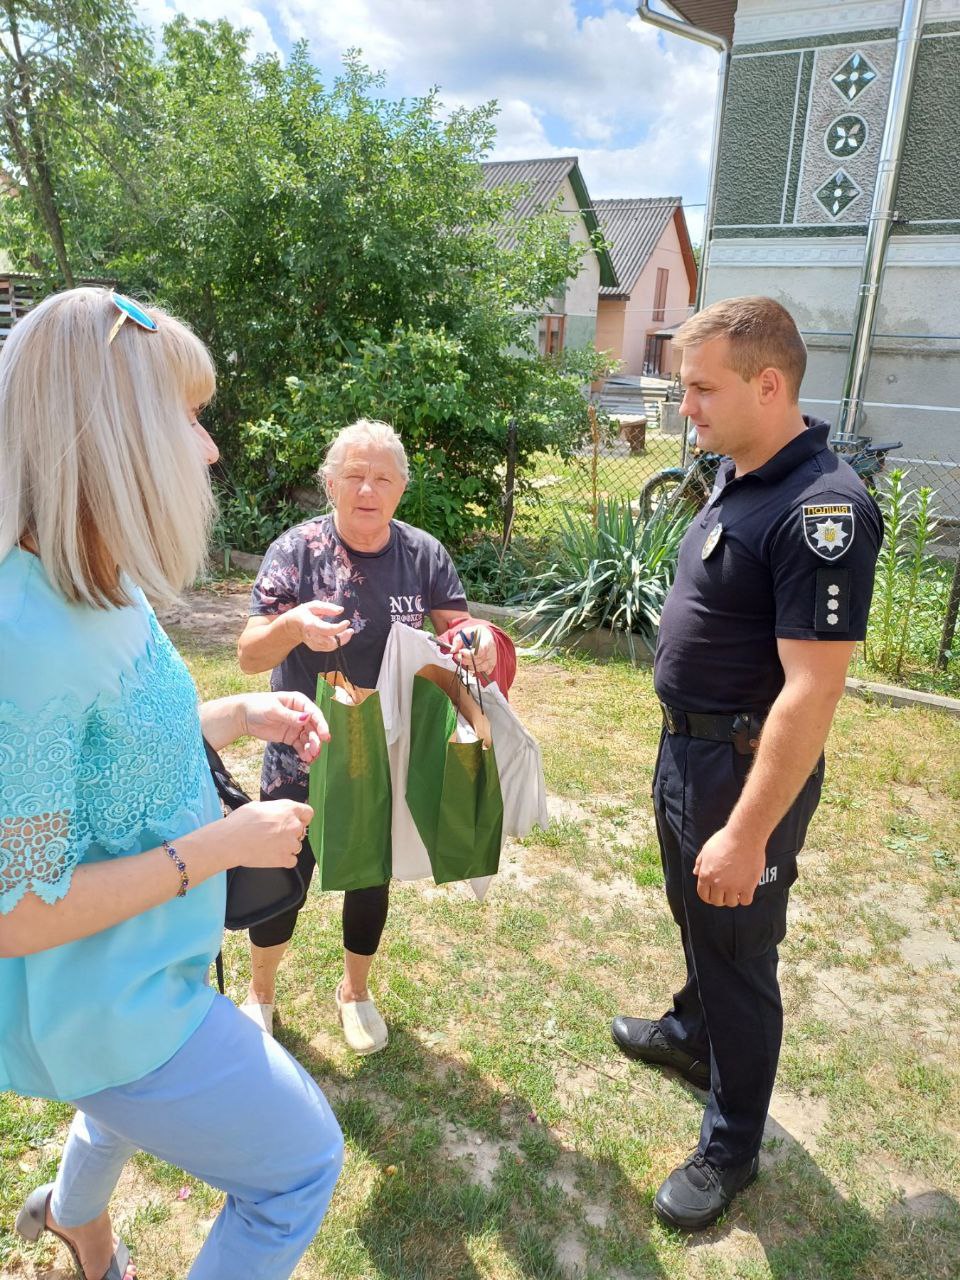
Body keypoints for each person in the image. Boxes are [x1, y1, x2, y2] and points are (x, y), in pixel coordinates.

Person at [0, 288, 343, 1280]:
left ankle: (76, 1223)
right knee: (301, 1164)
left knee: (121, 1117)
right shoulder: (26, 638)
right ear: (114, 435)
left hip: (148, 964)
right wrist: (225, 846)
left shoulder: (94, 582)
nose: (208, 450)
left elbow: (110, 756)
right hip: (110, 1000)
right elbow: (19, 906)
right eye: (186, 419)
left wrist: (238, 716)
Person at [611, 297, 882, 1230]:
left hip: (741, 769)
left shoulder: (825, 509)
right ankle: (692, 1033)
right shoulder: (741, 469)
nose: (685, 405)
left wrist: (747, 828)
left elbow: (812, 691)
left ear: (770, 385)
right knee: (693, 913)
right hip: (688, 748)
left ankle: (733, 1144)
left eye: (700, 387)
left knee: (738, 946)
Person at [237, 419, 516, 1053]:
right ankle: (260, 993)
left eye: (383, 477)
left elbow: (460, 627)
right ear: (330, 483)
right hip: (304, 742)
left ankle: (355, 991)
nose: (368, 488)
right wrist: (294, 628)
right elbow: (251, 654)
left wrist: (473, 642)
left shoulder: (422, 553)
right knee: (281, 865)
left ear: (401, 490)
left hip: (388, 744)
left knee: (370, 869)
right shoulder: (296, 551)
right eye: (355, 475)